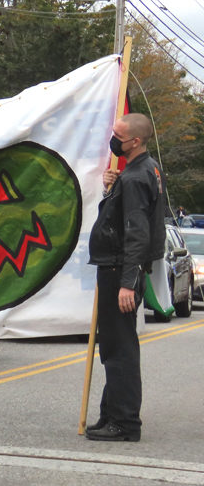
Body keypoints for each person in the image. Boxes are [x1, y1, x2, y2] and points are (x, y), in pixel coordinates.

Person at [86, 113, 164, 442]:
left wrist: (127, 283)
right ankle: (111, 413)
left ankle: (125, 422)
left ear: (134, 141)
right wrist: (112, 186)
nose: (113, 138)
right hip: (120, 267)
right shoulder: (143, 170)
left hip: (120, 269)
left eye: (118, 135)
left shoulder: (135, 177)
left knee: (119, 350)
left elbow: (137, 233)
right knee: (117, 346)